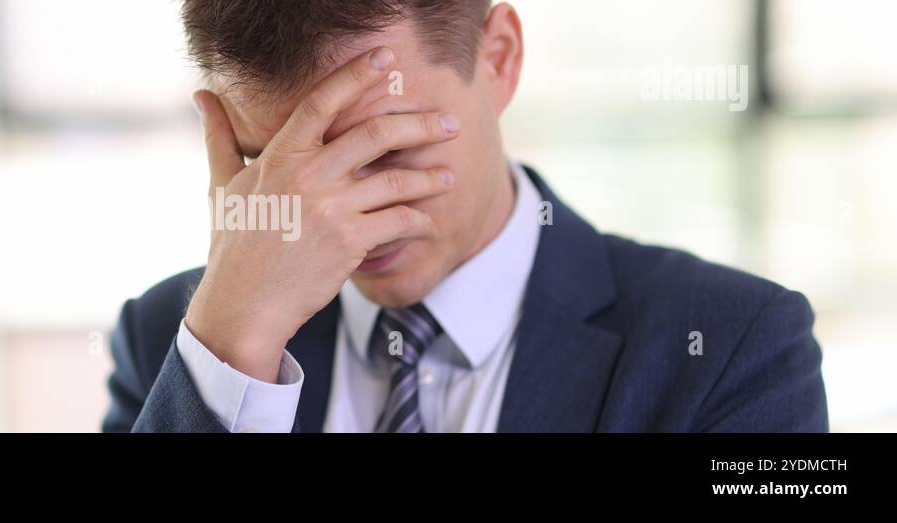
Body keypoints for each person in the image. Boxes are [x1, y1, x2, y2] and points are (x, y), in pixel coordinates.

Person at [102, 0, 828, 432]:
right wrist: (232, 350)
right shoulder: (179, 342)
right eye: (277, 169)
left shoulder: (738, 348)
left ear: (500, 57)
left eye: (383, 151)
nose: (344, 221)